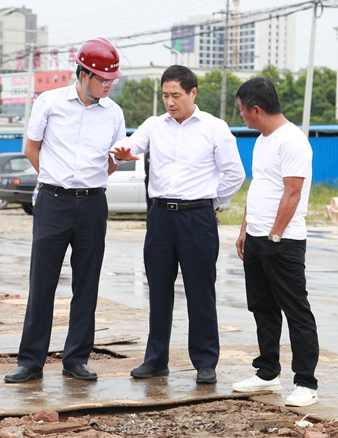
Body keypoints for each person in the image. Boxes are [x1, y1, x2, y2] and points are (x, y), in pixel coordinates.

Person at [110, 65, 245, 384]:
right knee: (157, 290)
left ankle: (205, 362)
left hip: (197, 218)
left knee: (200, 291)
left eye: (176, 95)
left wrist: (210, 203)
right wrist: (124, 151)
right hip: (159, 218)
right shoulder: (154, 125)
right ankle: (156, 360)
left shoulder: (215, 128)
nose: (170, 102)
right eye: (165, 96)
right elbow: (133, 147)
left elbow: (235, 173)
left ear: (192, 92)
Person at [4, 37, 126, 383]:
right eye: (103, 80)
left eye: (112, 81)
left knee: (87, 284)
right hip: (53, 202)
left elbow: (112, 162)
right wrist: (55, 180)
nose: (108, 86)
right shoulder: (50, 102)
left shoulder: (114, 113)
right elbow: (32, 148)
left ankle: (76, 358)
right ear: (84, 74)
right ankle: (30, 360)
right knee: (42, 282)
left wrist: (88, 179)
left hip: (92, 204)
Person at [231, 77, 319, 407]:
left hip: (283, 241)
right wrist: (245, 229)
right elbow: (260, 188)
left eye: (242, 110)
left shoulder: (292, 140)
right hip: (257, 238)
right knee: (263, 308)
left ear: (256, 109)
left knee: (296, 310)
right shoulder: (263, 140)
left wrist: (275, 235)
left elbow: (292, 192)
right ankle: (267, 372)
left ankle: (306, 382)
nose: (242, 116)